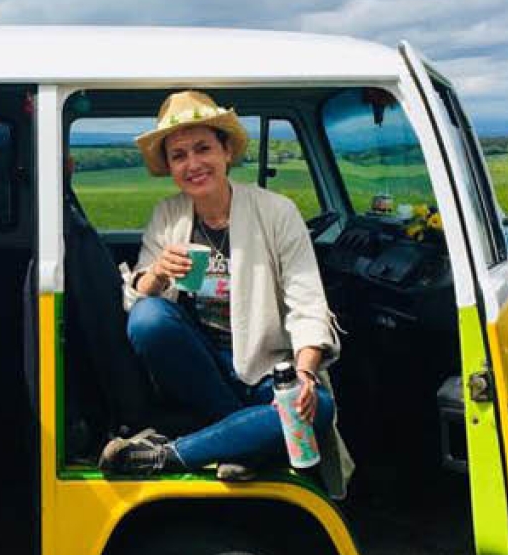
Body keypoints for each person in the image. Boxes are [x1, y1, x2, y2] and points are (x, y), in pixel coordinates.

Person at [98, 90, 353, 498]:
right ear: (169, 167)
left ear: (227, 151)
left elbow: (308, 305)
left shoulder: (276, 211)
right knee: (149, 317)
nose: (193, 163)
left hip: (269, 368)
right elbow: (136, 300)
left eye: (203, 148)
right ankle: (248, 442)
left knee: (317, 407)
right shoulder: (168, 214)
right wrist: (157, 274)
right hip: (201, 367)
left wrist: (304, 374)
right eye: (179, 155)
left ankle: (168, 455)